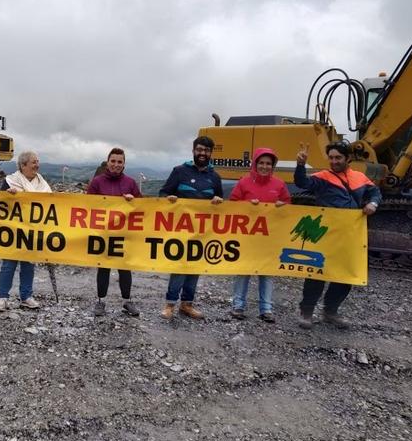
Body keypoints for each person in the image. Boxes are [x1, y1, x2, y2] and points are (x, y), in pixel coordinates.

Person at [294, 141, 380, 329]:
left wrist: (373, 203)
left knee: (345, 275)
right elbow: (302, 183)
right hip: (325, 235)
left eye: (338, 158)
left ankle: (330, 311)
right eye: (331, 158)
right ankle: (306, 312)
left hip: (350, 236)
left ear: (348, 158)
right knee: (316, 272)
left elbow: (375, 192)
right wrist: (300, 165)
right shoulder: (323, 177)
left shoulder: (360, 177)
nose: (334, 161)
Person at [159, 136, 223, 320]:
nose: (203, 153)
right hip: (180, 231)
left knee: (195, 267)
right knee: (180, 266)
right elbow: (163, 192)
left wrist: (219, 201)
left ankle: (187, 305)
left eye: (206, 150)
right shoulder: (179, 171)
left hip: (203, 233)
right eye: (200, 149)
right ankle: (170, 304)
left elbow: (220, 201)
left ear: (211, 153)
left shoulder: (215, 176)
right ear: (193, 150)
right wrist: (169, 199)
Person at [228, 148, 291, 322]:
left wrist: (282, 206)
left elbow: (288, 206)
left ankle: (266, 309)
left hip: (269, 237)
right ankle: (238, 306)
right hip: (247, 237)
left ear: (273, 166)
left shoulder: (279, 184)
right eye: (261, 163)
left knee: (267, 273)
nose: (264, 166)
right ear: (255, 164)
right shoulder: (244, 182)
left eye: (268, 163)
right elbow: (232, 204)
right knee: (243, 271)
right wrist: (246, 204)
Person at [86, 147, 142, 317]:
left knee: (125, 268)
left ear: (124, 164)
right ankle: (101, 301)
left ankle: (127, 301)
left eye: (120, 162)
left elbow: (142, 206)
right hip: (103, 234)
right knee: (103, 268)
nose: (116, 165)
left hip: (124, 234)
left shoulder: (131, 183)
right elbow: (87, 205)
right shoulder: (97, 182)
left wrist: (133, 202)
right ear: (107, 162)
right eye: (113, 161)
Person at [0, 151, 52, 312]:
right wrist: (8, 196)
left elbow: (51, 205)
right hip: (12, 230)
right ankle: (2, 297)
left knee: (29, 265)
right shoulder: (10, 181)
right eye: (33, 162)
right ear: (23, 165)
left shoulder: (43, 185)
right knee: (8, 265)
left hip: (33, 231)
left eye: (38, 162)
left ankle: (26, 296)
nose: (37, 165)